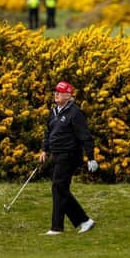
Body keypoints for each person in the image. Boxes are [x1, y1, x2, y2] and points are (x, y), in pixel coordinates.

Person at [39, 81, 99, 235]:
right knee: (58, 189)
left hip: (70, 155)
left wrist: (91, 157)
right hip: (57, 155)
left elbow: (85, 136)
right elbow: (48, 132)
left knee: (58, 186)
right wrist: (44, 150)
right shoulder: (54, 112)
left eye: (59, 92)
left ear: (68, 95)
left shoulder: (75, 113)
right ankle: (57, 227)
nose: (56, 94)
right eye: (56, 92)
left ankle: (84, 220)